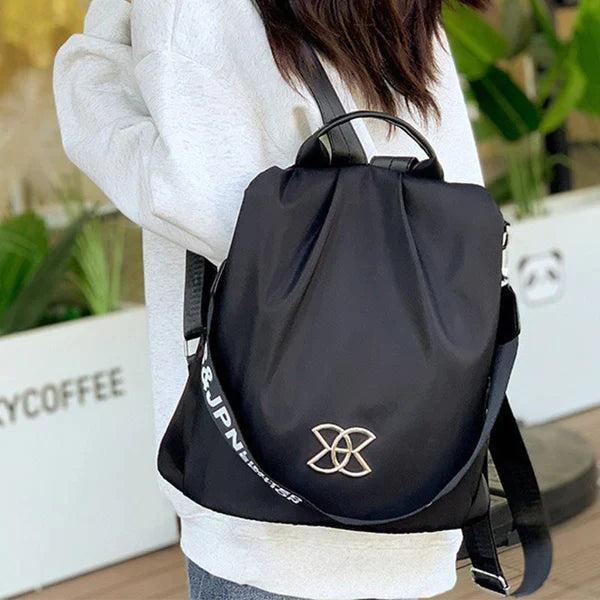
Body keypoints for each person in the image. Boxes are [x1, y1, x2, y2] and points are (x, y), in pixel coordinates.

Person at [53, 0, 487, 598]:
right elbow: (458, 189)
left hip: (269, 513)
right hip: (413, 475)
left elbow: (207, 204)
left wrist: (91, 59)